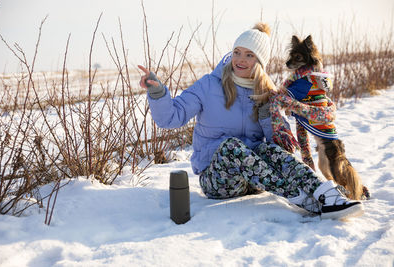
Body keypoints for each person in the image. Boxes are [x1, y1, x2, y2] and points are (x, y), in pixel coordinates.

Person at [138, 22, 364, 220]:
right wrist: (157, 92)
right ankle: (304, 200)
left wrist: (269, 116)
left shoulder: (267, 92)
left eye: (249, 55)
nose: (240, 60)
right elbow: (171, 117)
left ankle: (325, 194)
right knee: (232, 146)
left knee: (267, 149)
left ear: (260, 62)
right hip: (219, 181)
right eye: (237, 52)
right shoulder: (209, 85)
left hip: (257, 180)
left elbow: (284, 149)